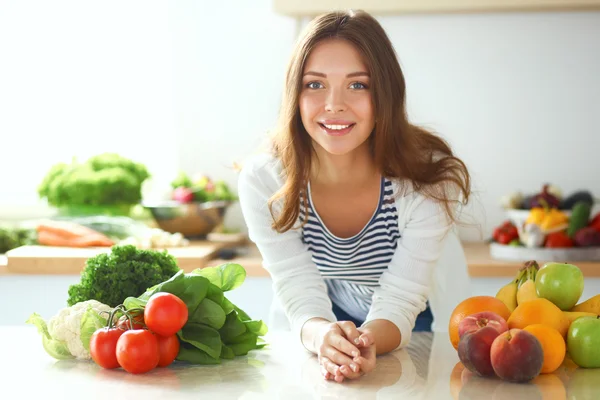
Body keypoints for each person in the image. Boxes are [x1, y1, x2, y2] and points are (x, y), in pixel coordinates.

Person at [237, 9, 472, 383]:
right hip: (316, 316)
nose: (334, 104)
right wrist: (322, 335)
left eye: (358, 85)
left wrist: (364, 342)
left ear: (385, 95)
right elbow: (295, 282)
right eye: (315, 84)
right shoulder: (266, 179)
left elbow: (403, 297)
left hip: (410, 320)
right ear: (294, 95)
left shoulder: (426, 178)